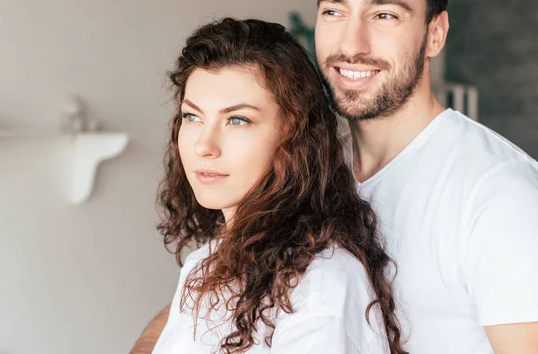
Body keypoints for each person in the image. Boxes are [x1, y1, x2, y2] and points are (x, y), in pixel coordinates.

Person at [137, 18, 407, 353]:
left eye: (238, 120)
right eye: (193, 117)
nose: (204, 146)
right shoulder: (204, 264)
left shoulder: (321, 283)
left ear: (293, 136)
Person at [314, 0, 538, 353]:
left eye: (383, 15)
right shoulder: (310, 171)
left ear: (435, 34)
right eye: (334, 10)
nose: (351, 44)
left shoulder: (500, 191)